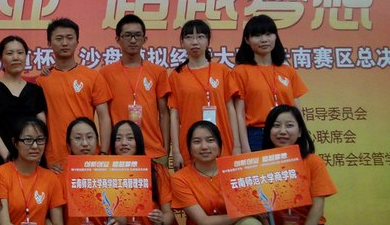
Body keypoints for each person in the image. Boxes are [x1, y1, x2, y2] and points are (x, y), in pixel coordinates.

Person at [112, 121, 188, 225]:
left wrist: (161, 220)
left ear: (139, 141)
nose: (124, 143)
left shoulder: (156, 171)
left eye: (130, 138)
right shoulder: (107, 174)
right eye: (118, 139)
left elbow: (169, 215)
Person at [37, 18, 112, 172]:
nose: (65, 43)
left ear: (77, 41)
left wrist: (104, 152)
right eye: (59, 38)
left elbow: (104, 117)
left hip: (88, 155)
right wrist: (42, 156)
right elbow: (39, 123)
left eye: (69, 38)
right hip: (55, 160)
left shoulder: (93, 76)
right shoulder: (42, 81)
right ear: (49, 43)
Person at [230, 14, 308, 153]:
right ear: (247, 40)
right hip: (257, 134)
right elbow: (239, 114)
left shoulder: (288, 70)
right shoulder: (240, 71)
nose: (264, 40)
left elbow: (297, 109)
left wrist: (304, 137)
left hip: (287, 133)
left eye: (268, 34)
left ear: (275, 37)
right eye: (257, 35)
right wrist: (244, 146)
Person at [169, 19, 240, 169]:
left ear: (208, 41)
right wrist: (175, 151)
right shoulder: (176, 75)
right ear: (182, 43)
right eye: (189, 37)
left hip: (221, 139)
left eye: (200, 37)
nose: (195, 42)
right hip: (191, 142)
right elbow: (174, 116)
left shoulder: (222, 70)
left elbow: (230, 109)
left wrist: (236, 145)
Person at [100, 14, 170, 163]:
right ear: (117, 39)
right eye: (127, 35)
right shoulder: (105, 73)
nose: (133, 40)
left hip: (153, 151)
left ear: (144, 39)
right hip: (119, 152)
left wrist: (165, 149)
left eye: (137, 35)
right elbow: (103, 116)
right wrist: (105, 151)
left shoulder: (158, 72)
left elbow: (164, 114)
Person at [61, 117, 124, 225]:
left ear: (97, 141)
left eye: (89, 137)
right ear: (68, 145)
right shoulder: (59, 176)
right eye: (78, 138)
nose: (84, 143)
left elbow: (122, 217)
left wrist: (118, 223)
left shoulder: (109, 172)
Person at [0, 35, 47, 171]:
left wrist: (36, 153)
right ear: (1, 58)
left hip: (32, 161)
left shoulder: (36, 90)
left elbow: (42, 127)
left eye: (20, 53)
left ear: (26, 57)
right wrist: (8, 156)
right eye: (10, 53)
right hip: (1, 161)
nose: (16, 57)